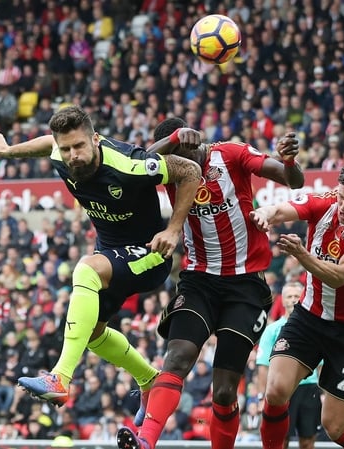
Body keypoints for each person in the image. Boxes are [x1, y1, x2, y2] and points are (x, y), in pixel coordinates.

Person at [0, 106, 203, 406]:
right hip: (112, 255)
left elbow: (190, 172)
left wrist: (174, 230)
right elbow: (47, 143)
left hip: (150, 254)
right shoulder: (60, 153)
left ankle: (60, 377)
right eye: (66, 148)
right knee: (93, 332)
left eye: (79, 146)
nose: (72, 155)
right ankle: (149, 379)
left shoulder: (129, 165)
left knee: (85, 269)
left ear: (95, 139)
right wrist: (7, 151)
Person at [116, 117, 304, 449]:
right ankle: (145, 442)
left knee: (225, 390)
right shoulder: (169, 169)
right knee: (177, 356)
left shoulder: (231, 154)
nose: (176, 166)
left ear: (193, 142)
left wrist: (289, 161)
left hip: (244, 284)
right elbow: (136, 164)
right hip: (198, 280)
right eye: (170, 159)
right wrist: (172, 140)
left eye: (180, 154)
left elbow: (293, 180)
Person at [248, 157, 344, 449]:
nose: (343, 206)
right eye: (340, 196)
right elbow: (280, 209)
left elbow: (339, 276)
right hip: (309, 317)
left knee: (335, 427)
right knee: (275, 391)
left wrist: (302, 255)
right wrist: (265, 213)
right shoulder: (325, 201)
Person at [257, 282, 322, 449]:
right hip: (283, 390)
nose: (293, 300)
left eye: (296, 296)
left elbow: (321, 366)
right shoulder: (272, 330)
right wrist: (262, 396)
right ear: (283, 300)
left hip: (310, 389)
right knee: (282, 439)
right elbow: (263, 366)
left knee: (308, 441)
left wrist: (323, 393)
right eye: (289, 296)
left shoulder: (314, 329)